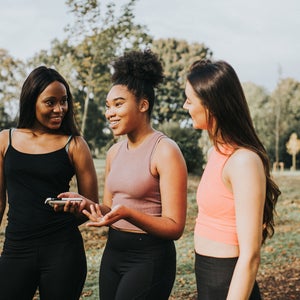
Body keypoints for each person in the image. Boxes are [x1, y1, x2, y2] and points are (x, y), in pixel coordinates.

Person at [59, 49, 188, 300]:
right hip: (113, 253)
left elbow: (175, 227)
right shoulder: (113, 152)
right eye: (108, 106)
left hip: (150, 258)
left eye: (119, 104)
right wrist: (87, 205)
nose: (110, 113)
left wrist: (128, 213)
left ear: (143, 104)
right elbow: (109, 207)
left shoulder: (165, 150)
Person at [183, 59, 281, 300]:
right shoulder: (215, 153)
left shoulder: (243, 161)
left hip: (229, 281)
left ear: (211, 106)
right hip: (208, 278)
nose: (185, 106)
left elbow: (250, 256)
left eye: (189, 100)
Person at [0, 66, 99, 300]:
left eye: (64, 101)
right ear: (31, 101)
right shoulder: (5, 140)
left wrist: (76, 207)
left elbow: (91, 205)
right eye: (50, 102)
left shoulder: (75, 144)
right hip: (16, 249)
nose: (59, 109)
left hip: (63, 251)